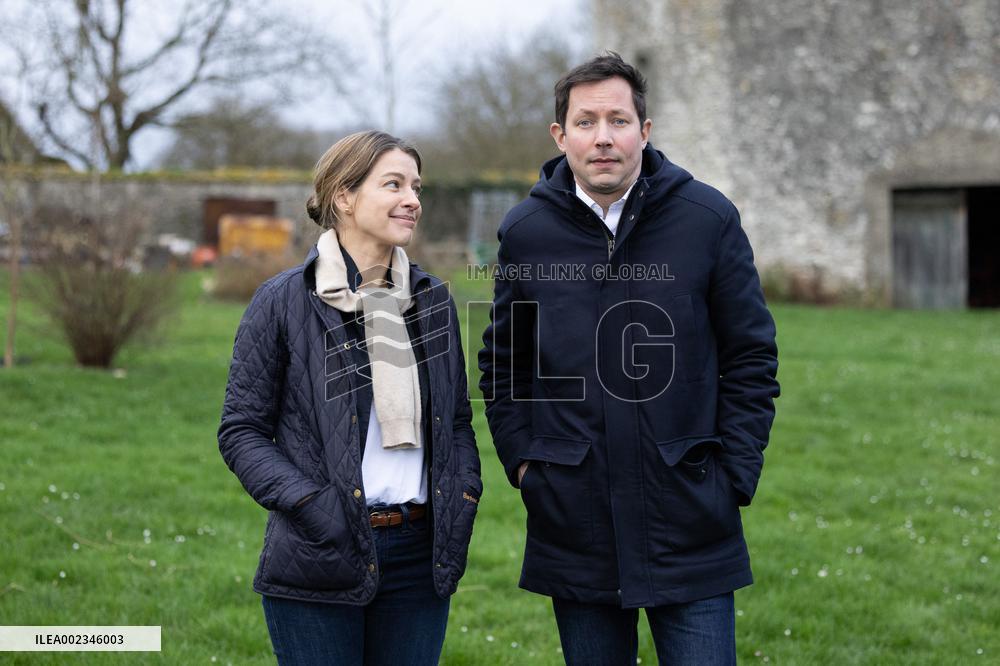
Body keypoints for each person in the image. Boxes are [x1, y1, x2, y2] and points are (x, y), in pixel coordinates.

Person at [478, 53, 779, 665]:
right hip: (574, 516)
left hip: (692, 512)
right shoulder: (527, 231)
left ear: (645, 130)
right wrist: (525, 467)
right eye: (586, 122)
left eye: (619, 120)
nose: (604, 137)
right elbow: (506, 365)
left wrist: (734, 474)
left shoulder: (708, 219)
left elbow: (751, 356)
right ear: (560, 137)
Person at [219, 130, 482, 666]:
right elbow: (241, 431)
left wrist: (463, 495)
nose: (413, 198)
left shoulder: (432, 302)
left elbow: (454, 421)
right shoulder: (283, 301)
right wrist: (313, 506)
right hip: (320, 550)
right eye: (393, 184)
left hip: (420, 555)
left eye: (416, 186)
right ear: (344, 195)